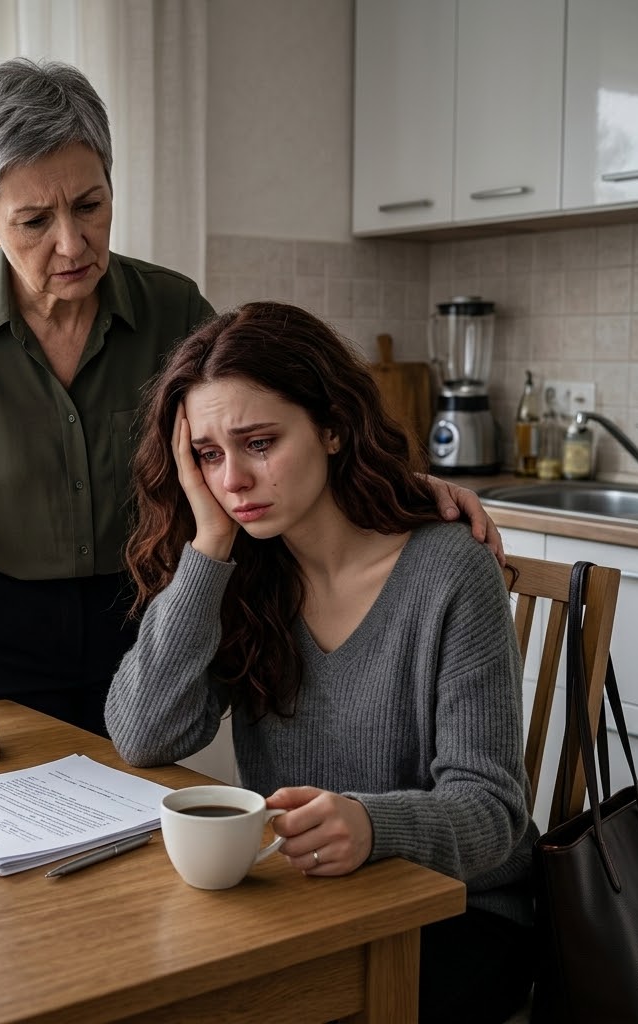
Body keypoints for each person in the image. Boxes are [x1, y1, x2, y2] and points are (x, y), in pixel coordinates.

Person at [0, 57, 504, 782]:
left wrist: (397, 484)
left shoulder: (173, 307)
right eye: (33, 221)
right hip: (6, 628)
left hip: (147, 603)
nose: (72, 243)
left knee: (136, 829)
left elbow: (261, 413)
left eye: (90, 205)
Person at [105, 301, 536, 1024]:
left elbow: (492, 813)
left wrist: (372, 826)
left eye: (260, 442)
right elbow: (143, 734)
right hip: (304, 906)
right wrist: (209, 545)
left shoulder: (450, 573)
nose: (234, 479)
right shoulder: (245, 575)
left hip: (456, 914)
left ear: (333, 426)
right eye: (209, 455)